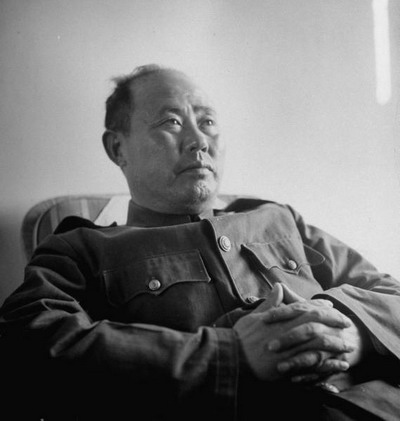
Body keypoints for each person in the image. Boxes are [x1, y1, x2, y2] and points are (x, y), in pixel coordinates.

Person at [0, 64, 399, 421]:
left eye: (207, 122)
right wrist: (231, 355)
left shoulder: (279, 219)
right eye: (172, 122)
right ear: (118, 148)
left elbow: (390, 294)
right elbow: (27, 346)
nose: (199, 141)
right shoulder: (80, 248)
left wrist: (350, 331)